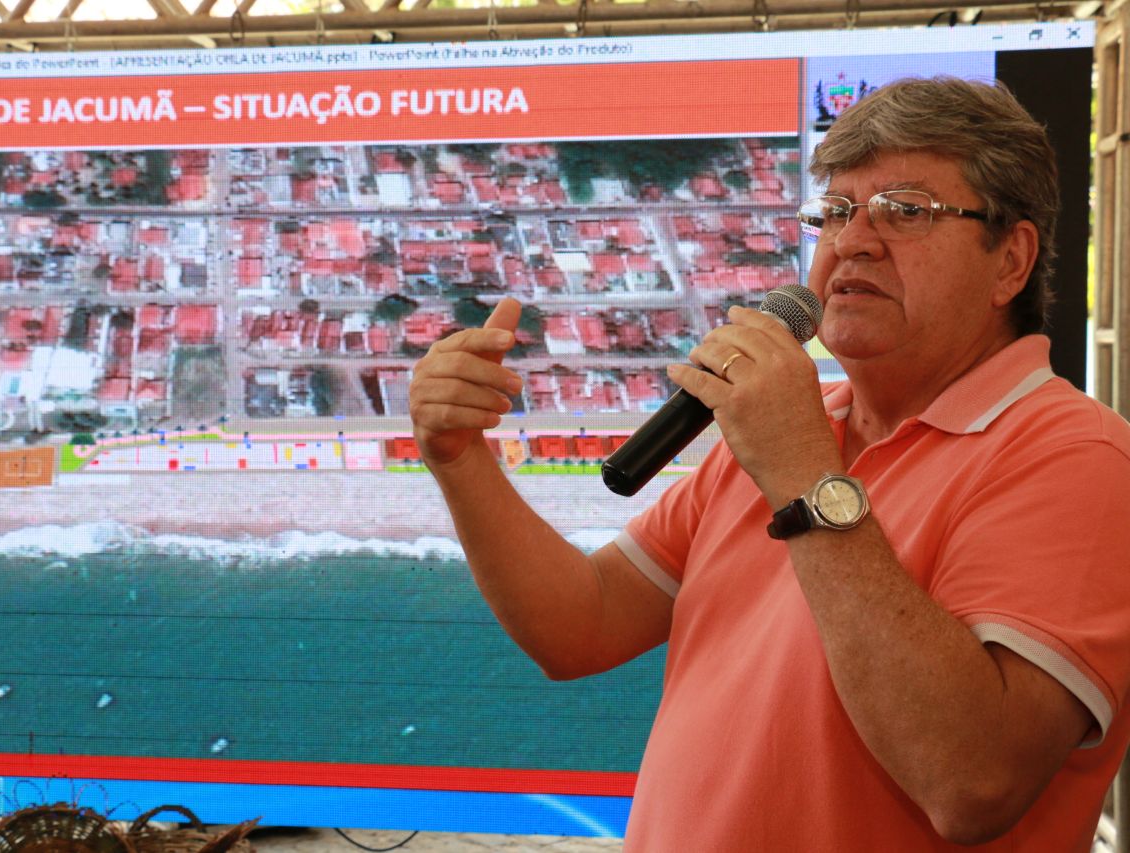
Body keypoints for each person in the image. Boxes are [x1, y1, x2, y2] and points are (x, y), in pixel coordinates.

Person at [408, 76, 1130, 851]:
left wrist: (805, 478)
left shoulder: (1078, 458)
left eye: (908, 210)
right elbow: (579, 625)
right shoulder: (794, 427)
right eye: (838, 212)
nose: (853, 240)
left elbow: (972, 780)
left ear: (1010, 262)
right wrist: (459, 459)